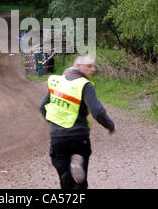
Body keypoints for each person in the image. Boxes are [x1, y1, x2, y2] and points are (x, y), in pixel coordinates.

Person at [39, 54, 116, 189]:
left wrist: (54, 123)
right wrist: (110, 126)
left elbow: (42, 106)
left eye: (93, 66)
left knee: (62, 168)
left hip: (58, 136)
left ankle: (67, 174)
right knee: (80, 180)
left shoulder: (56, 82)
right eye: (89, 66)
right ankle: (76, 173)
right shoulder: (85, 84)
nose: (93, 69)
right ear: (78, 66)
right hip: (78, 136)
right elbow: (97, 111)